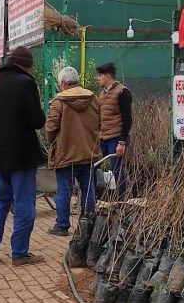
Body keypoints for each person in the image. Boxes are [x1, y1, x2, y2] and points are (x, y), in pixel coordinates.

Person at [0, 47, 46, 266]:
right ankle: (19, 253)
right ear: (26, 66)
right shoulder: (26, 84)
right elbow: (38, 121)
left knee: (1, 201)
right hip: (22, 157)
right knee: (25, 204)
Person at [46, 67, 103, 236]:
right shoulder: (93, 99)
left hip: (66, 155)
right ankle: (88, 225)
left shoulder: (59, 102)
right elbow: (100, 123)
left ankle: (62, 226)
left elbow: (51, 128)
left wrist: (51, 141)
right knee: (88, 189)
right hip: (88, 153)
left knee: (64, 190)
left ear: (63, 83)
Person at [96, 62, 132, 200]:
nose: (98, 78)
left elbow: (127, 118)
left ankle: (122, 200)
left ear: (107, 76)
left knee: (117, 170)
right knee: (96, 168)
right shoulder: (102, 93)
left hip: (116, 138)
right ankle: (99, 198)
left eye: (100, 76)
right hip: (103, 137)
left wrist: (122, 142)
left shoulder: (122, 92)